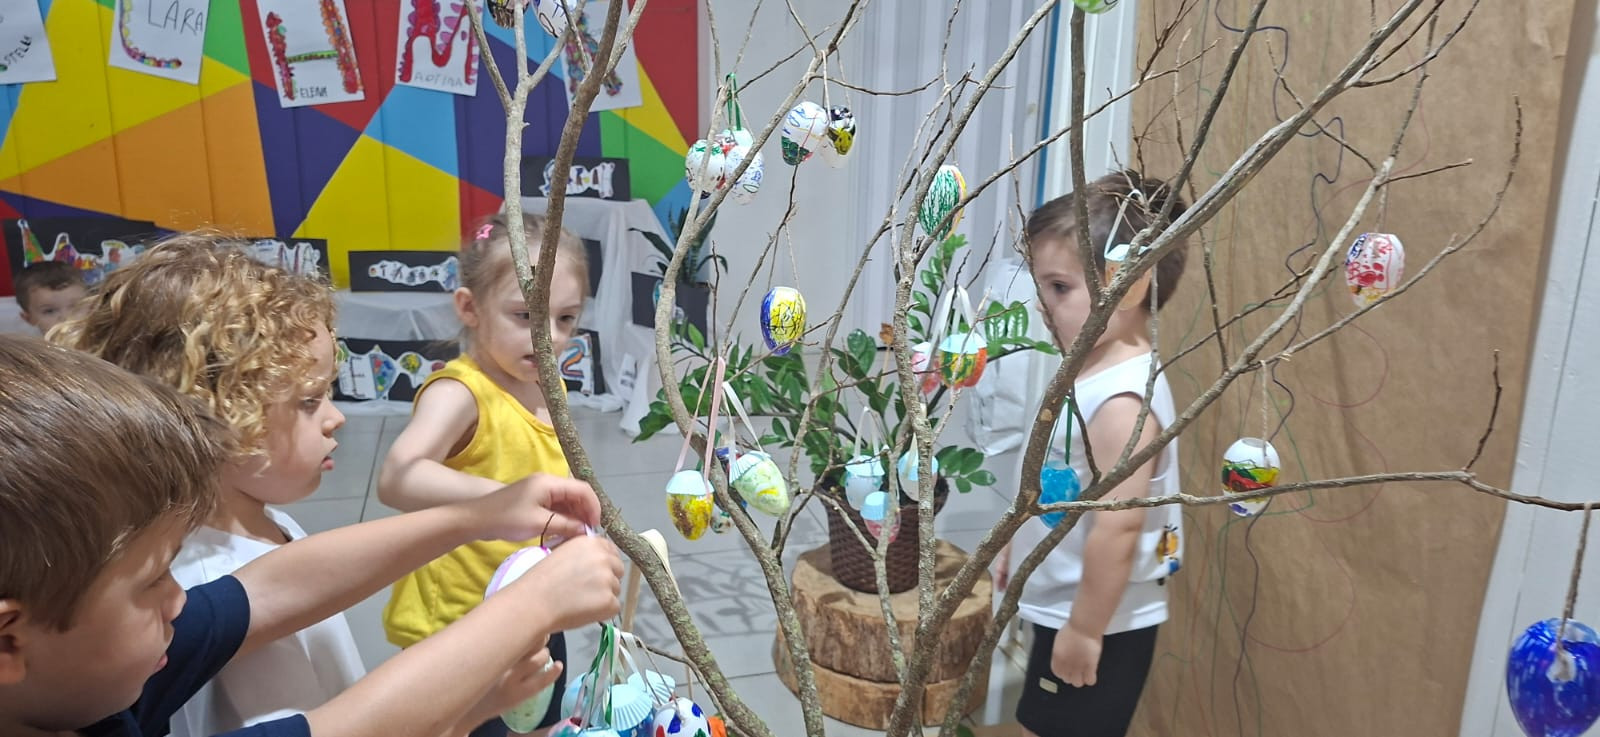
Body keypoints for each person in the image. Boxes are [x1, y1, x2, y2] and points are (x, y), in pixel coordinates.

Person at [0, 334, 624, 737]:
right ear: (8, 641)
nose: (179, 596)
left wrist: (483, 514)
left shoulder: (76, 679)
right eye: (153, 579)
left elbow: (264, 592)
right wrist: (533, 605)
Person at [51, 235, 369, 736]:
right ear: (213, 415)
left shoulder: (259, 519)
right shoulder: (205, 573)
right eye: (309, 401)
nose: (336, 418)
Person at [378, 213, 589, 737]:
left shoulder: (549, 387)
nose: (550, 337)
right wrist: (503, 499)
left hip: (534, 611)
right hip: (457, 627)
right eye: (526, 315)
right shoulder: (461, 393)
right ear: (470, 308)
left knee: (539, 723)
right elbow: (398, 477)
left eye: (566, 318)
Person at [997, 171, 1189, 737]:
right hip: (1068, 605)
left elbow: (1118, 529)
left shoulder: (1123, 403)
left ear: (1128, 286)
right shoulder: (1091, 369)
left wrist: (1084, 629)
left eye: (1060, 287)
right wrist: (1015, 541)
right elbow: (1059, 478)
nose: (1043, 303)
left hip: (1100, 622)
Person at [14, 261, 88, 334]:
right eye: (50, 311)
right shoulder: (25, 341)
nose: (66, 318)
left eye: (76, 307)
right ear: (29, 319)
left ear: (91, 307)